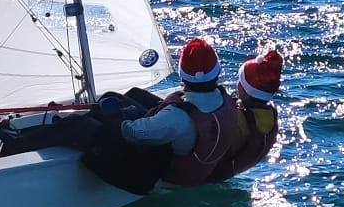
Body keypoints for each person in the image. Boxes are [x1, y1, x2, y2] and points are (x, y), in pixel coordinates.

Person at [80, 38, 238, 193]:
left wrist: (114, 117)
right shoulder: (227, 100)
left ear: (182, 76)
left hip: (166, 176)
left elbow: (132, 132)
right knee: (133, 94)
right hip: (194, 159)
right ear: (217, 73)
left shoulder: (177, 116)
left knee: (81, 124)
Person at [206, 48, 284, 183]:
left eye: (240, 82)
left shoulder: (238, 118)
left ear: (245, 90)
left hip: (210, 171)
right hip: (228, 172)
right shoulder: (270, 116)